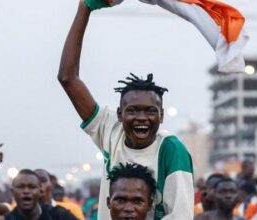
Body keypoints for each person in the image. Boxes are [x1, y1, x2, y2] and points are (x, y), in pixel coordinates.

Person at [58, 1, 194, 219]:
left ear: (162, 115)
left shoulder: (171, 150)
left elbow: (181, 216)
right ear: (120, 114)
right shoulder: (112, 130)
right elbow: (67, 78)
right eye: (133, 111)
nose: (142, 118)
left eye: (150, 111)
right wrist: (84, 8)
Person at [4, 169, 77, 220]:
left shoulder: (59, 215)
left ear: (40, 191)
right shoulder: (8, 218)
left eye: (32, 187)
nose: (26, 191)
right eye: (21, 187)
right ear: (12, 192)